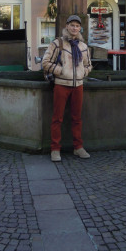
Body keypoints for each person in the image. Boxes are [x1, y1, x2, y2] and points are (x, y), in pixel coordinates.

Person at [42, 14, 92, 162]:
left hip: (78, 86)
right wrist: (61, 71)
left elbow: (88, 65)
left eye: (77, 26)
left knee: (77, 118)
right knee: (57, 118)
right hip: (61, 85)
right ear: (67, 26)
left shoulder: (83, 46)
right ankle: (55, 149)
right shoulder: (57, 44)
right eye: (72, 25)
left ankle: (78, 147)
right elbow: (45, 62)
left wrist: (83, 72)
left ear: (80, 28)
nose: (74, 28)